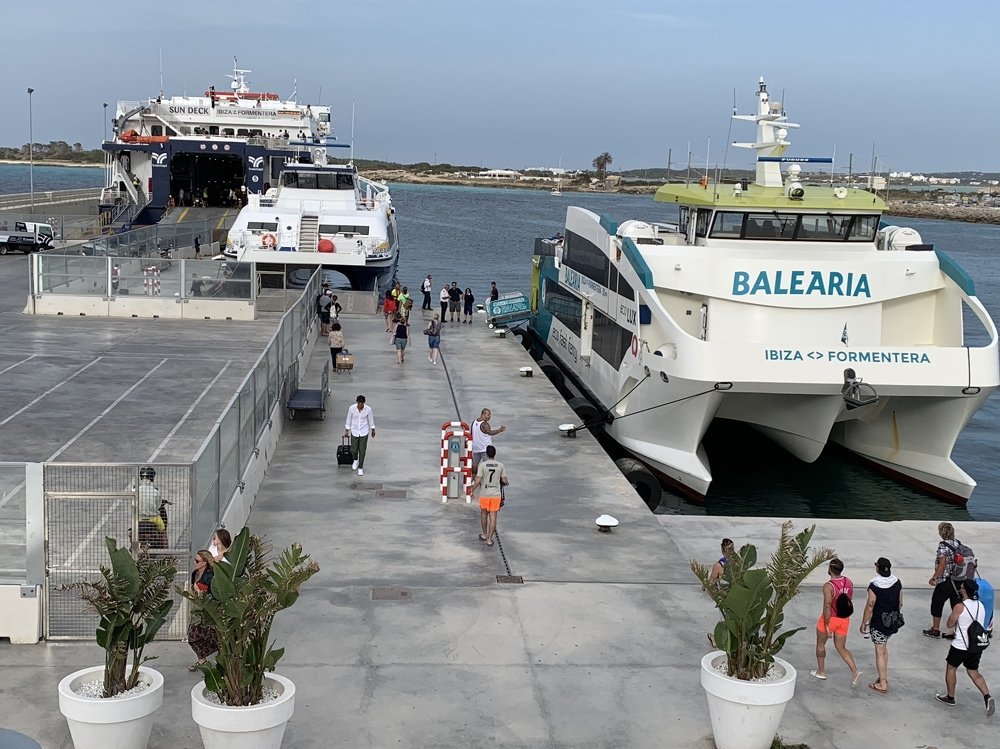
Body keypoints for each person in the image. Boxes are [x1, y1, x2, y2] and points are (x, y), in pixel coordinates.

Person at [935, 579, 995, 716]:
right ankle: (987, 696)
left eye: (962, 588)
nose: (960, 589)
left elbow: (950, 624)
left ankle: (950, 697)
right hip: (976, 646)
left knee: (951, 668)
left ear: (965, 591)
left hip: (960, 646)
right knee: (974, 672)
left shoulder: (960, 607)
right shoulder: (980, 605)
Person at [811, 558, 862, 686]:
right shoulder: (848, 582)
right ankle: (855, 672)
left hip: (831, 618)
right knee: (841, 647)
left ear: (830, 569)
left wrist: (827, 625)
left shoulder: (828, 586)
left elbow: (827, 605)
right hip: (844, 619)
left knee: (820, 644)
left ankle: (821, 671)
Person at [861, 557, 903, 694]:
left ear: (878, 568)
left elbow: (870, 605)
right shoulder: (897, 582)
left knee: (879, 651)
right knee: (884, 649)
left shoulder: (875, 585)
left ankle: (882, 683)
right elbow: (900, 603)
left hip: (879, 622)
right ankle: (883, 676)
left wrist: (864, 622)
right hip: (892, 621)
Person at [925, 522, 962, 639]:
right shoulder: (958, 543)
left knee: (937, 602)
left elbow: (942, 565)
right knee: (955, 605)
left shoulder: (943, 546)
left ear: (941, 532)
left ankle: (935, 629)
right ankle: (953, 631)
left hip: (946, 580)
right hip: (958, 579)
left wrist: (934, 578)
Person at [186, 550, 218, 670]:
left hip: (208, 611)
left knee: (207, 635)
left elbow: (210, 594)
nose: (195, 562)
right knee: (193, 636)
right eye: (195, 560)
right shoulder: (195, 574)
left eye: (197, 561)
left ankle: (207, 657)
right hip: (197, 610)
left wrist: (198, 591)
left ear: (205, 562)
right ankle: (202, 659)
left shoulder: (210, 576)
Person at [471, 445, 507, 547]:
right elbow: (504, 480)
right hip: (496, 495)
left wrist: (472, 491)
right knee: (493, 517)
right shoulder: (500, 465)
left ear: (486, 454)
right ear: (495, 454)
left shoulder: (482, 465)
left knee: (483, 515)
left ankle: (484, 534)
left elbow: (477, 480)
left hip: (485, 494)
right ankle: (490, 540)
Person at [705, 538, 736, 647]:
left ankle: (719, 641)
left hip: (725, 597)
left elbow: (711, 581)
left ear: (722, 549)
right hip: (738, 595)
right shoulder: (739, 562)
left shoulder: (719, 566)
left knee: (724, 620)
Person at [136, 466, 169, 549]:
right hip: (154, 518)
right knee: (163, 533)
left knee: (133, 533)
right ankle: (167, 555)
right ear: (152, 477)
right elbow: (158, 506)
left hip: (139, 518)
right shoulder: (156, 491)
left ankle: (134, 551)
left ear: (141, 477)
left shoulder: (135, 489)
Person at [344, 395, 375, 476]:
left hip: (364, 431)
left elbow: (370, 419)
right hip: (354, 430)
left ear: (364, 403)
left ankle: (360, 467)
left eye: (362, 403)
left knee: (362, 450)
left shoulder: (368, 409)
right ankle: (355, 459)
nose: (360, 405)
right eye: (359, 403)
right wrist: (347, 430)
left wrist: (373, 429)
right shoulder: (351, 408)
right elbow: (349, 419)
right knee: (354, 449)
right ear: (357, 402)